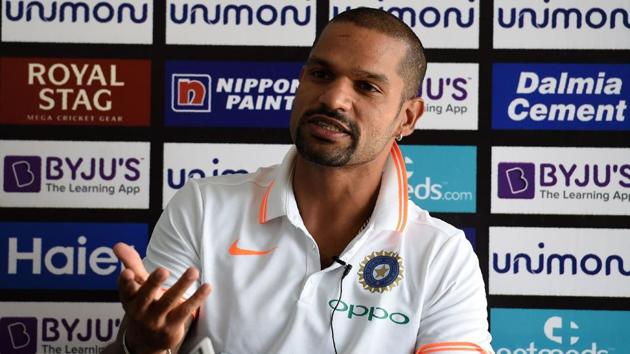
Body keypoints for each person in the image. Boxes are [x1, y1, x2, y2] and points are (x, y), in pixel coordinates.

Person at [106, 7, 493, 354]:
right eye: (321, 75)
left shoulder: (443, 256)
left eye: (366, 86)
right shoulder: (204, 207)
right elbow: (147, 341)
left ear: (407, 117)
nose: (334, 98)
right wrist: (142, 345)